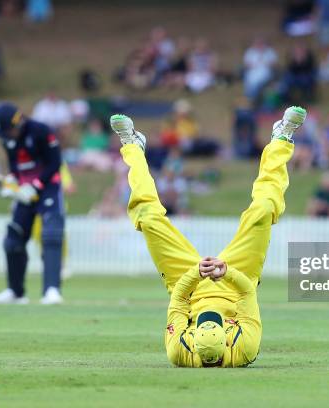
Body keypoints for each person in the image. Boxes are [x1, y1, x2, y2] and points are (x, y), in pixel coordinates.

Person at [110, 106, 306, 367]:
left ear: (194, 338)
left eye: (203, 322)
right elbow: (248, 293)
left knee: (147, 218)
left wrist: (196, 274)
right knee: (263, 210)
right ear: (226, 338)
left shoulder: (179, 351)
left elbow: (178, 300)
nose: (207, 319)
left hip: (187, 285)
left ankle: (132, 145)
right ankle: (282, 138)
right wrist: (226, 272)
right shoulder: (245, 347)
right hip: (238, 281)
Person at [0, 102, 65, 305]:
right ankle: (15, 292)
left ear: (17, 123)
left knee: (51, 236)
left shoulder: (41, 131)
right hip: (24, 193)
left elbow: (55, 163)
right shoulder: (8, 141)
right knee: (13, 239)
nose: (8, 136)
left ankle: (51, 290)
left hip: (48, 188)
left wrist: (37, 185)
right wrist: (13, 181)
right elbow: (16, 166)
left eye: (9, 131)